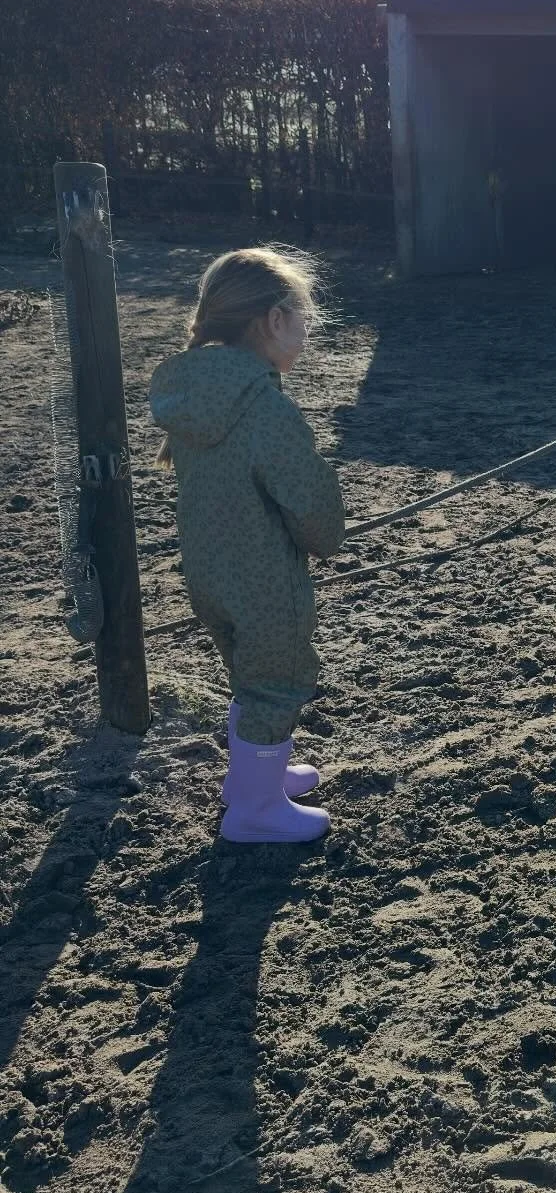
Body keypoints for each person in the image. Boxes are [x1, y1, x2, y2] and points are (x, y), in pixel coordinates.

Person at [151, 247, 346, 840]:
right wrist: (325, 538)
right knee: (277, 679)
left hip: (210, 571)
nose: (307, 330)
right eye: (302, 316)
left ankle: (253, 779)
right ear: (271, 321)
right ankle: (255, 813)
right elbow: (307, 496)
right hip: (264, 574)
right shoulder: (264, 406)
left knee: (247, 671)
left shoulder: (196, 395)